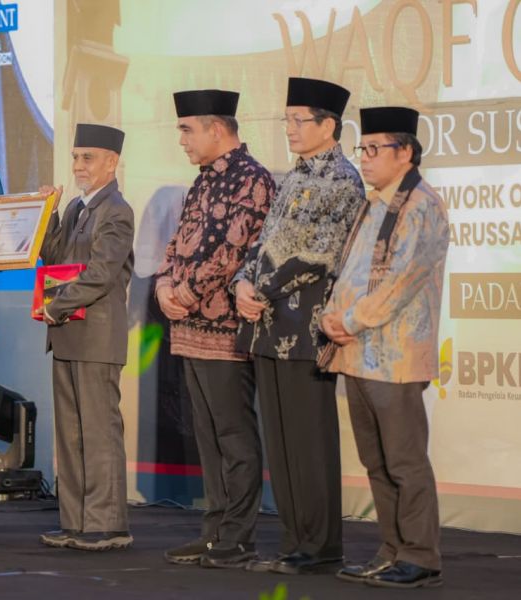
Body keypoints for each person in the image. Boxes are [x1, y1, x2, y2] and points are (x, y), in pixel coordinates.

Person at [231, 77, 365, 574]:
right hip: (267, 327)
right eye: (285, 119)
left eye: (298, 119)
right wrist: (242, 284)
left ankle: (320, 545)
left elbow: (321, 255)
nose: (289, 128)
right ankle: (293, 542)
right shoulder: (291, 177)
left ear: (329, 125)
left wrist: (259, 291)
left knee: (310, 440)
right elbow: (262, 243)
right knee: (282, 442)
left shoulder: (343, 180)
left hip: (306, 329)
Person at [322, 107, 448, 589]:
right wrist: (332, 316)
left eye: (375, 150)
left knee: (404, 459)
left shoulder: (423, 206)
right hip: (356, 351)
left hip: (394, 355)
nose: (366, 159)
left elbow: (403, 282)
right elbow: (350, 269)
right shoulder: (374, 201)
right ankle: (391, 549)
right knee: (376, 461)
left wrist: (349, 319)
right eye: (363, 149)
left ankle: (420, 554)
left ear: (406, 152)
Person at [157, 90, 273, 568]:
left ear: (217, 129)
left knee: (233, 434)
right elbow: (176, 245)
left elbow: (232, 254)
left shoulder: (253, 180)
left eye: (187, 129)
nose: (181, 139)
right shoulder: (201, 182)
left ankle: (238, 537)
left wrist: (183, 295)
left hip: (226, 329)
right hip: (189, 329)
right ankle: (215, 531)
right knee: (206, 434)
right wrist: (164, 284)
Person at [38, 123, 135, 551]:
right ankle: (75, 521)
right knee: (71, 434)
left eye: (88, 157)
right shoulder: (78, 208)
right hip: (67, 334)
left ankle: (107, 524)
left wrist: (53, 305)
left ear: (112, 163)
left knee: (98, 431)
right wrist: (47, 213)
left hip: (94, 336)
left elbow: (101, 274)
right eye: (76, 157)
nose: (78, 165)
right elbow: (54, 258)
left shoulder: (117, 210)